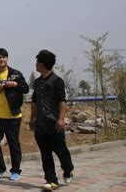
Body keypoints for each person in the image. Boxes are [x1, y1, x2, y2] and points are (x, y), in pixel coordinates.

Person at [29, 50, 74, 191]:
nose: (35, 64)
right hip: (41, 124)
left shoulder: (57, 81)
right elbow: (35, 103)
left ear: (41, 64)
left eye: (37, 62)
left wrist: (61, 119)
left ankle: (68, 169)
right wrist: (32, 119)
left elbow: (62, 101)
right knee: (45, 153)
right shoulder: (36, 83)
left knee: (61, 151)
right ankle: (51, 180)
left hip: (54, 123)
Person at [0, 48, 29, 181]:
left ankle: (15, 170)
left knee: (13, 143)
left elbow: (25, 88)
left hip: (13, 117)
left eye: (4, 57)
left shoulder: (15, 74)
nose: (1, 60)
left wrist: (14, 84)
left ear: (7, 59)